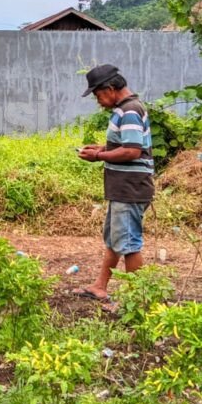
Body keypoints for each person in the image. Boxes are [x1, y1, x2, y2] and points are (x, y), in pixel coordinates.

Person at [73, 64, 155, 303]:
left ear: (109, 88)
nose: (99, 101)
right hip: (123, 187)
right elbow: (126, 145)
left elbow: (131, 151)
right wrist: (103, 148)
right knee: (115, 239)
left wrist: (98, 156)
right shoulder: (125, 110)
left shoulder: (129, 110)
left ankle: (138, 300)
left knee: (128, 243)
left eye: (98, 95)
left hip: (130, 188)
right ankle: (100, 286)